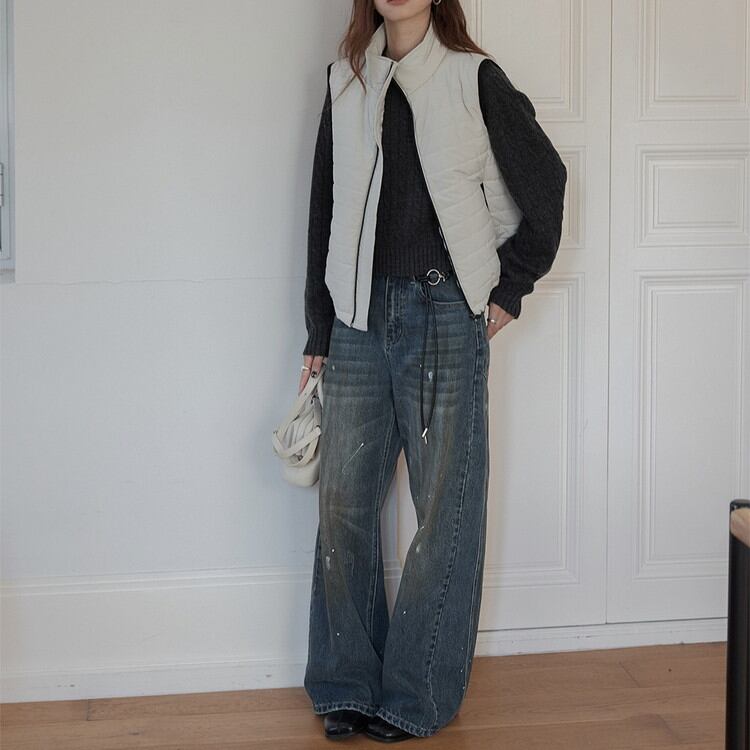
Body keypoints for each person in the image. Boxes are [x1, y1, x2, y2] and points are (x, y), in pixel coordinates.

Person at [299, 0, 567, 741]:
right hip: (356, 318)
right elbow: (323, 210)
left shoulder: (473, 78)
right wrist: (318, 328)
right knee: (342, 506)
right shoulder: (345, 81)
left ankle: (417, 696)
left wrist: (510, 288)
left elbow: (547, 183)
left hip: (443, 312)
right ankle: (347, 683)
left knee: (444, 511)